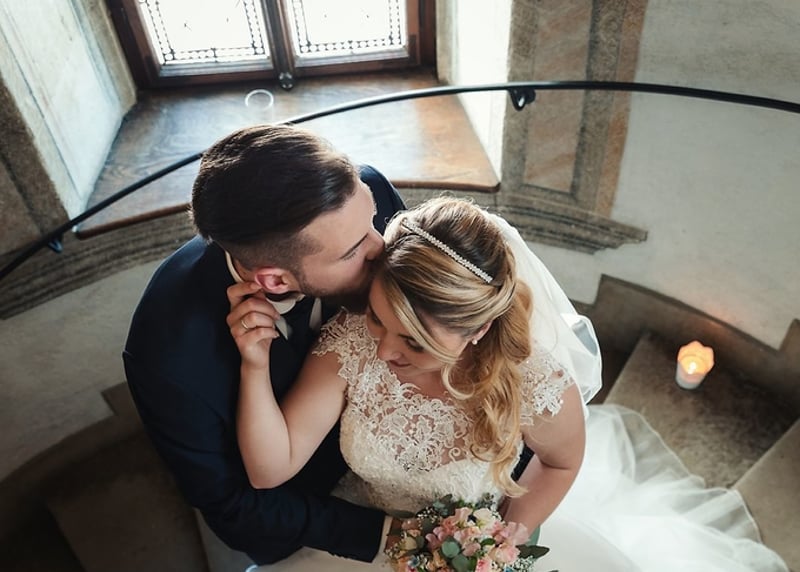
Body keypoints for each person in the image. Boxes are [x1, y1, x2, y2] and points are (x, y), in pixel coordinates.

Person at [229, 197, 790, 572]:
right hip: (366, 536)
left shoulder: (534, 384)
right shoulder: (351, 343)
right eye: (378, 318)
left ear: (477, 331)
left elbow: (562, 462)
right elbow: (269, 469)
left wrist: (494, 547)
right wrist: (255, 363)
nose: (383, 351)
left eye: (415, 343)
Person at [123, 124, 407, 565]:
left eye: (372, 220)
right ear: (274, 280)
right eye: (354, 251)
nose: (383, 246)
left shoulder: (362, 199)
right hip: (312, 510)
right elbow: (234, 507)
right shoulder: (169, 360)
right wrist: (391, 534)